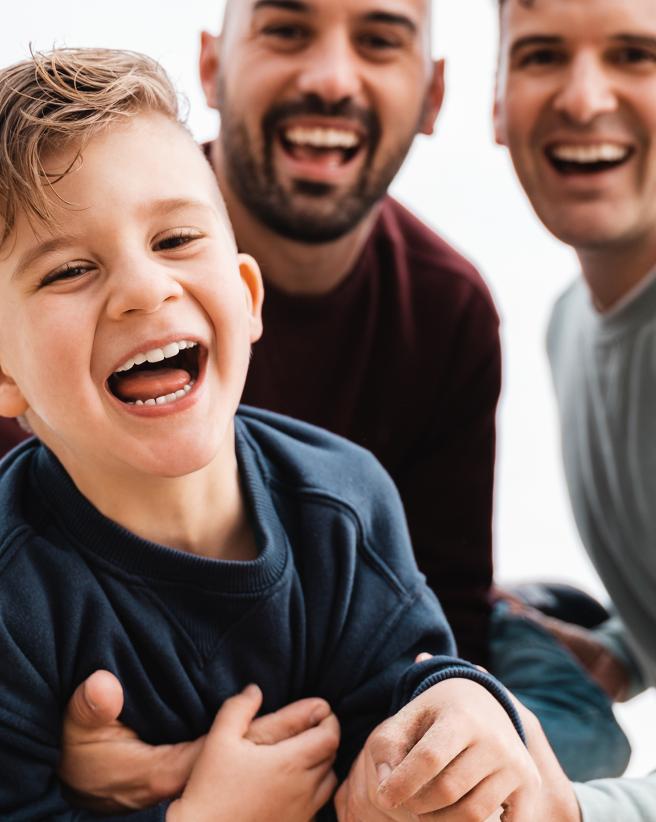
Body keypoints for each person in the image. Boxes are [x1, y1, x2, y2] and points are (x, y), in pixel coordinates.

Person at [0, 46, 543, 821]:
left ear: (249, 298)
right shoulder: (14, 595)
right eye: (67, 271)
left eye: (176, 239)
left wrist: (463, 705)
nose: (145, 289)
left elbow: (411, 680)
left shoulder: (344, 505)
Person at [493, 0, 656, 817]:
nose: (585, 98)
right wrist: (624, 653)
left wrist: (570, 811)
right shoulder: (568, 322)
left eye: (636, 54)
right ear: (495, 101)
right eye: (542, 55)